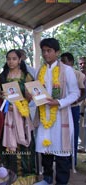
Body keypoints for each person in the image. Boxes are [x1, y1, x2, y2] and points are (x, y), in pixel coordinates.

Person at [33, 38, 80, 185]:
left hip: (60, 117)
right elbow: (37, 91)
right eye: (43, 51)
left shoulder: (67, 70)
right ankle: (47, 179)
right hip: (44, 116)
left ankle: (61, 182)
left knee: (61, 154)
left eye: (49, 51)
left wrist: (58, 102)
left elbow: (75, 93)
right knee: (46, 151)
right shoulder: (40, 71)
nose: (46, 54)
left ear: (57, 52)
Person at [0, 49, 36, 184]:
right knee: (7, 145)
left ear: (20, 60)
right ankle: (8, 175)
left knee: (24, 144)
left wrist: (28, 98)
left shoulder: (27, 76)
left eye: (14, 59)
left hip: (22, 115)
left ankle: (25, 177)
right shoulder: (2, 77)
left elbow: (32, 96)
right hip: (7, 116)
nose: (11, 61)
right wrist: (2, 97)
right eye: (9, 59)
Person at [61, 52, 86, 167]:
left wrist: (74, 101)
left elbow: (83, 93)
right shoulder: (59, 74)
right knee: (62, 134)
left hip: (73, 109)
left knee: (73, 135)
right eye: (61, 61)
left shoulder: (78, 75)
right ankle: (62, 158)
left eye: (64, 61)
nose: (62, 64)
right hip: (60, 109)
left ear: (71, 62)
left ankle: (73, 161)